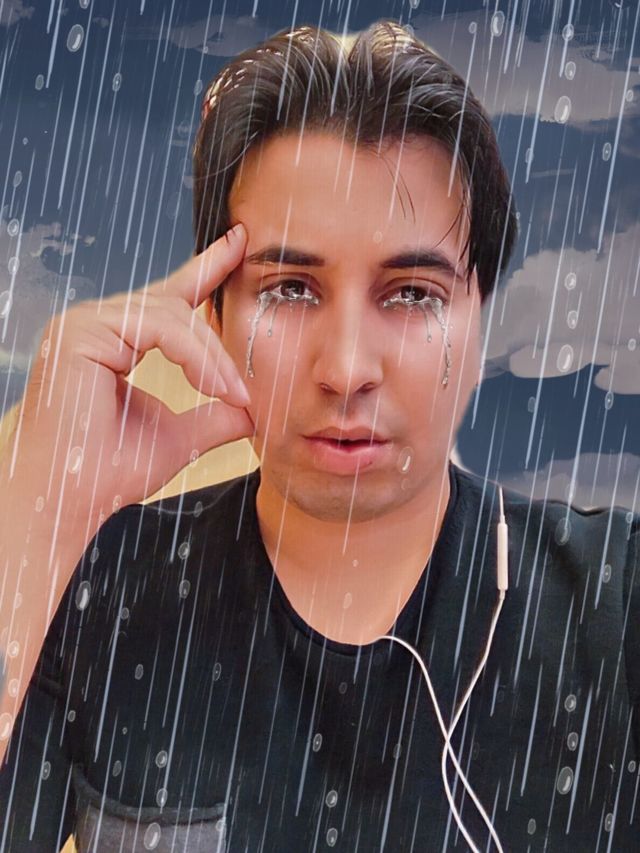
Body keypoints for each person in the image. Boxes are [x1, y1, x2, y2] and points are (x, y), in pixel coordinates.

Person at [0, 21, 638, 853]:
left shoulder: (615, 605)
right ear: (214, 315)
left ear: (480, 319)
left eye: (411, 294)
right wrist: (35, 525)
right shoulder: (100, 589)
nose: (346, 369)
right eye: (291, 288)